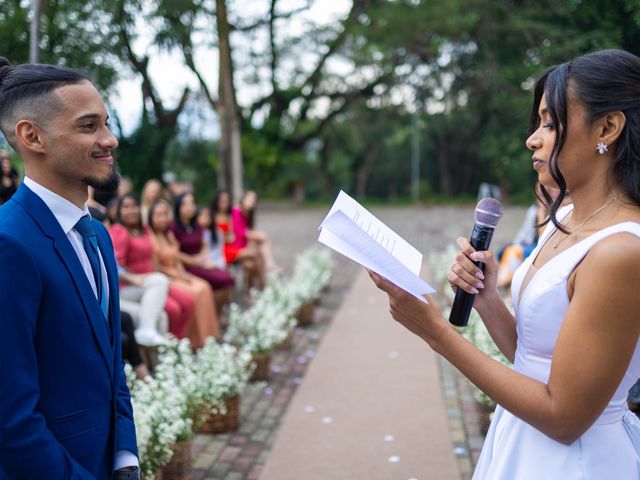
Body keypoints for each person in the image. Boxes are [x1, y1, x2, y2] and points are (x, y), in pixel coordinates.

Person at [370, 49, 640, 479]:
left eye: (551, 123)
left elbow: (565, 417)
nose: (533, 139)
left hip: (573, 462)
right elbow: (535, 360)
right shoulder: (565, 219)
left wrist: (436, 333)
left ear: (607, 127)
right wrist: (488, 301)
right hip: (519, 440)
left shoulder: (622, 252)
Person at [0, 59, 139, 478]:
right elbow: (11, 421)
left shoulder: (95, 233)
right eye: (88, 126)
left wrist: (125, 457)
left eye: (107, 123)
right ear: (32, 136)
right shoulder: (9, 245)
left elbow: (111, 363)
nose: (109, 139)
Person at [110, 193, 194, 341]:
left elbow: (152, 257)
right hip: (132, 284)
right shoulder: (120, 231)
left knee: (188, 301)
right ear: (119, 211)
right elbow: (117, 265)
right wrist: (141, 277)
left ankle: (179, 343)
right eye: (126, 207)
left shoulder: (144, 230)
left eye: (134, 206)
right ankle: (166, 346)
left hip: (153, 278)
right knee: (172, 310)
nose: (131, 211)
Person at [148, 199, 221, 349]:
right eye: (158, 215)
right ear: (151, 217)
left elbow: (176, 259)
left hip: (177, 272)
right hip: (166, 277)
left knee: (205, 287)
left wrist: (183, 274)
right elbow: (156, 266)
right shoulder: (151, 238)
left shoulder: (168, 234)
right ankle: (194, 341)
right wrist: (177, 276)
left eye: (164, 214)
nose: (162, 218)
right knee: (195, 293)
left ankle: (208, 337)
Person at [170, 191, 234, 312]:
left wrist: (203, 257)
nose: (190, 207)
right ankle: (213, 314)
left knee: (228, 279)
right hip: (185, 266)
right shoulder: (173, 227)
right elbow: (174, 253)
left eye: (192, 203)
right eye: (185, 204)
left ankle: (215, 313)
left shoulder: (196, 225)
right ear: (178, 207)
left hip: (200, 262)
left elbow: (204, 244)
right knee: (224, 280)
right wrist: (194, 261)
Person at [211, 190, 264, 290]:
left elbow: (232, 233)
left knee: (251, 264)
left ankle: (249, 292)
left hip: (231, 247)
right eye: (222, 201)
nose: (224, 204)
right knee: (255, 253)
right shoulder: (212, 217)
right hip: (221, 250)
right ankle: (263, 286)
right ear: (217, 202)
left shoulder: (230, 215)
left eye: (226, 201)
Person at [232, 190, 281, 274]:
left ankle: (267, 268)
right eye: (249, 199)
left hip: (245, 245)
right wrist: (255, 236)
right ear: (243, 199)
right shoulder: (236, 211)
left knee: (257, 260)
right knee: (262, 241)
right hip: (236, 246)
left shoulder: (250, 214)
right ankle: (269, 263)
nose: (250, 202)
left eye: (253, 201)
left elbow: (251, 230)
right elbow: (238, 233)